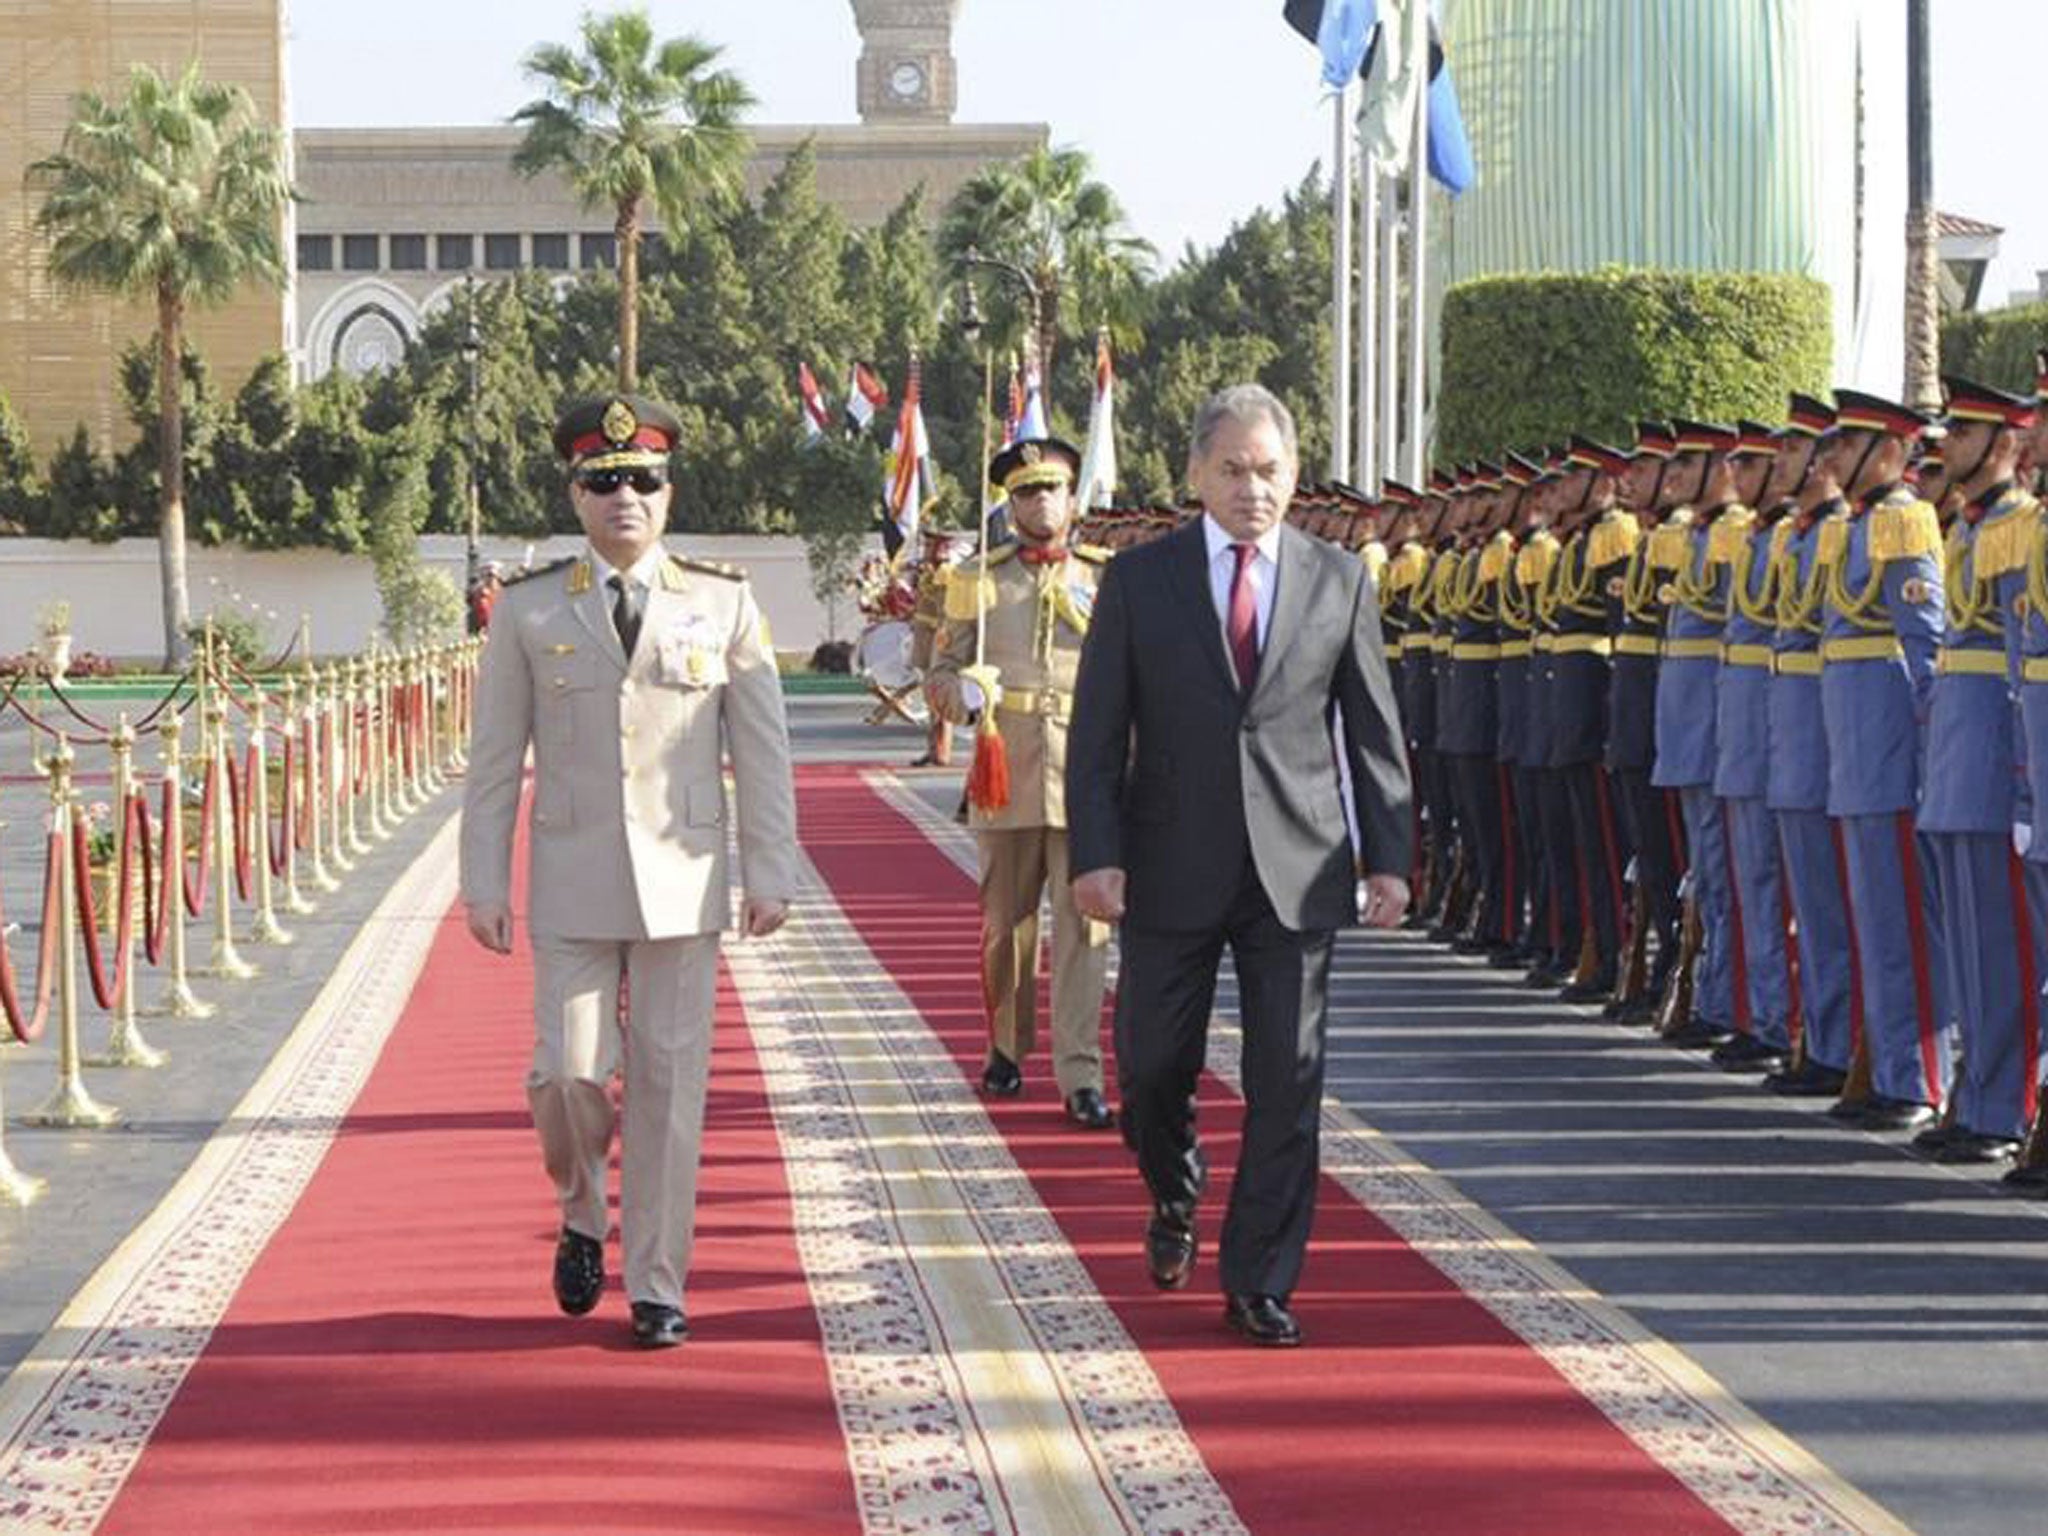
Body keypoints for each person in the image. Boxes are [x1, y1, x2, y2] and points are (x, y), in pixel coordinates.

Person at [1066, 383, 1413, 1349]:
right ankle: (1174, 1187)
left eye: (1269, 471)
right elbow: (1097, 736)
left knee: (1287, 1082)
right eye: (1232, 469)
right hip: (1167, 866)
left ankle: (1260, 1276)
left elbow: (1375, 733)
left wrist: (1389, 857)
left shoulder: (1339, 580)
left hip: (1296, 871)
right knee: (1151, 1066)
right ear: (1195, 474)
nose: (1252, 488)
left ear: (1293, 475)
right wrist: (1095, 854)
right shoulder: (1142, 582)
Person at [460, 393, 798, 1349]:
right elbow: (494, 761)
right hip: (571, 878)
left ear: (669, 491)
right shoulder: (529, 610)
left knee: (666, 1085)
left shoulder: (724, 602)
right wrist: (483, 882)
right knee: (570, 1075)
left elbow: (762, 749)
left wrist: (770, 870)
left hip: (683, 882)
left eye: (643, 480)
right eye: (604, 481)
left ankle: (658, 1283)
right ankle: (580, 1208)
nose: (626, 497)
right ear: (575, 495)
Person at [925, 436, 1117, 1129]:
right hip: (1005, 772)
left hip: (1087, 774)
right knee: (1006, 929)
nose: (1042, 502)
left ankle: (1080, 1072)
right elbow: (938, 675)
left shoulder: (1105, 577)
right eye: (1027, 491)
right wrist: (963, 698)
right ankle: (1006, 1044)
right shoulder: (980, 577)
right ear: (1009, 504)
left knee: (1085, 931)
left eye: (1052, 489)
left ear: (1074, 498)